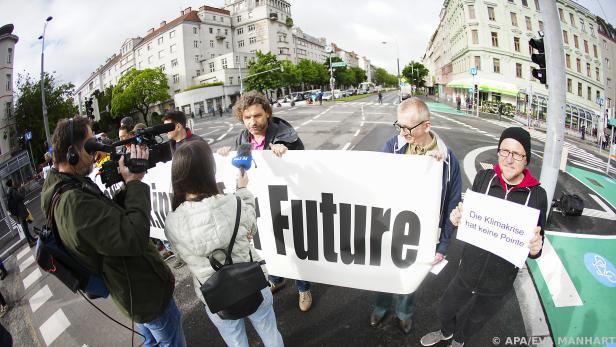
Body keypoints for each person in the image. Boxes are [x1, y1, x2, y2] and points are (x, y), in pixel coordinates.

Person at [42, 117, 186, 347]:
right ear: (72, 152)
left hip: (131, 290)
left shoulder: (64, 189)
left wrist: (129, 183)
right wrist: (135, 184)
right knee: (170, 341)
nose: (95, 153)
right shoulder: (73, 202)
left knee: (151, 339)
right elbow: (133, 237)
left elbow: (109, 223)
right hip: (142, 293)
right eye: (90, 145)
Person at [420, 127, 547, 347]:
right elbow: (469, 218)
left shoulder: (537, 195)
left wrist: (536, 248)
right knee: (445, 309)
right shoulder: (484, 177)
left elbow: (536, 246)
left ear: (526, 159)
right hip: (467, 269)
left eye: (516, 154)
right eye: (504, 151)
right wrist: (457, 218)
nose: (508, 159)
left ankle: (459, 340)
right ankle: (446, 331)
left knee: (476, 319)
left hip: (499, 282)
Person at [165, 141, 284, 347]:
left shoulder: (172, 221)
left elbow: (180, 255)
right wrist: (243, 189)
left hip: (214, 294)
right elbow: (250, 229)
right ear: (209, 170)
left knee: (236, 342)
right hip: (252, 282)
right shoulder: (233, 202)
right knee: (270, 333)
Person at [217, 90, 312, 312]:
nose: (253, 122)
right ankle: (277, 278)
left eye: (258, 116)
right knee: (268, 244)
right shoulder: (242, 138)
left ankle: (303, 287)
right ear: (242, 117)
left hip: (289, 204)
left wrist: (286, 153)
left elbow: (304, 165)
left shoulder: (286, 134)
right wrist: (225, 155)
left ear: (267, 113)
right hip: (262, 205)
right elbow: (240, 168)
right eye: (248, 117)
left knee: (293, 247)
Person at [376, 97, 462, 334]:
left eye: (408, 128)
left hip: (422, 233)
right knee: (384, 270)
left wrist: (443, 245)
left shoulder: (448, 161)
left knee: (410, 275)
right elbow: (376, 181)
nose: (403, 133)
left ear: (427, 125)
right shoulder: (392, 147)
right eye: (400, 126)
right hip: (390, 226)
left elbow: (452, 204)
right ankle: (380, 307)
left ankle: (404, 313)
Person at [162, 111, 205, 269]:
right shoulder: (172, 144)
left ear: (178, 126)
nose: (164, 131)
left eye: (167, 127)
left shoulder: (196, 142)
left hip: (198, 199)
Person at [6, 179, 37, 247]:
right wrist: (22, 188)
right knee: (25, 228)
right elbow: (21, 197)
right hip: (20, 212)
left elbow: (17, 198)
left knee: (25, 227)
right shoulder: (12, 191)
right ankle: (30, 243)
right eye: (13, 181)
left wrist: (19, 190)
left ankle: (32, 239)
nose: (14, 182)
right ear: (11, 183)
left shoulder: (10, 191)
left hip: (18, 212)